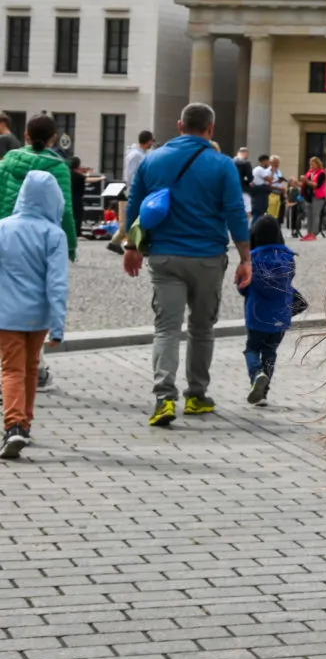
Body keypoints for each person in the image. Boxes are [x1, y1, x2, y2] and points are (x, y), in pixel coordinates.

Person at [123, 103, 252, 428]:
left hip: (165, 256)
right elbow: (236, 213)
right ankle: (197, 395)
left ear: (180, 125)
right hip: (208, 256)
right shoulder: (223, 165)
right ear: (210, 129)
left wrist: (131, 247)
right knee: (202, 328)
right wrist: (245, 258)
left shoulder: (152, 159)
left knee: (166, 328)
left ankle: (164, 398)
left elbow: (135, 206)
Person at [0, 171, 69, 459]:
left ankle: (13, 425)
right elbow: (57, 283)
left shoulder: (3, 227)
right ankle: (25, 424)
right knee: (30, 367)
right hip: (38, 316)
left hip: (5, 314)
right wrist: (58, 324)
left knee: (11, 369)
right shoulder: (54, 234)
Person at [0, 114, 78, 260]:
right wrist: (70, 245)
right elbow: (65, 210)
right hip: (38, 241)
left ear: (26, 135)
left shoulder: (6, 162)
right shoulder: (58, 168)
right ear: (54, 138)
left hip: (4, 235)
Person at [239, 215, 298, 407]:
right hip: (281, 315)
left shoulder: (253, 259)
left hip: (257, 315)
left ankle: (257, 374)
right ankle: (263, 392)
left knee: (252, 348)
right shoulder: (289, 258)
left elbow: (243, 287)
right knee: (270, 352)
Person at [112, 129, 156, 252]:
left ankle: (117, 241)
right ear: (148, 141)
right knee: (134, 218)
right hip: (134, 190)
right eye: (152, 141)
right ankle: (130, 242)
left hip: (136, 189)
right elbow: (131, 174)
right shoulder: (136, 155)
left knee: (132, 218)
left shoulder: (139, 154)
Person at [302, 157, 326, 240]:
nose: (311, 166)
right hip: (309, 197)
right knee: (309, 215)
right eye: (310, 164)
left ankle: (314, 233)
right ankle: (309, 233)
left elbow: (317, 185)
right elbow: (306, 184)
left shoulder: (321, 173)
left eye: (313, 164)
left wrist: (306, 181)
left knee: (315, 214)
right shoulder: (309, 173)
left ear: (318, 164)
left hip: (318, 197)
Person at [234, 147, 255, 216]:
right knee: (247, 210)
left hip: (232, 189)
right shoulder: (246, 163)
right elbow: (250, 178)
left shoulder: (230, 161)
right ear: (246, 153)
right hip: (243, 189)